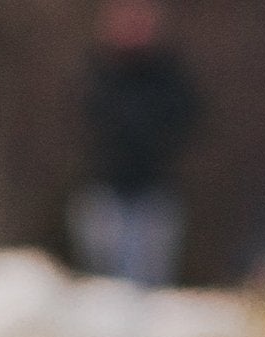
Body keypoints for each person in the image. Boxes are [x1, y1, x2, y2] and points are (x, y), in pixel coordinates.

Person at [69, 0, 203, 288]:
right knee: (103, 280)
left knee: (148, 282)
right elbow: (78, 122)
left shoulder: (168, 75)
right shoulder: (96, 71)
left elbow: (188, 120)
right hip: (102, 187)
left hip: (154, 189)